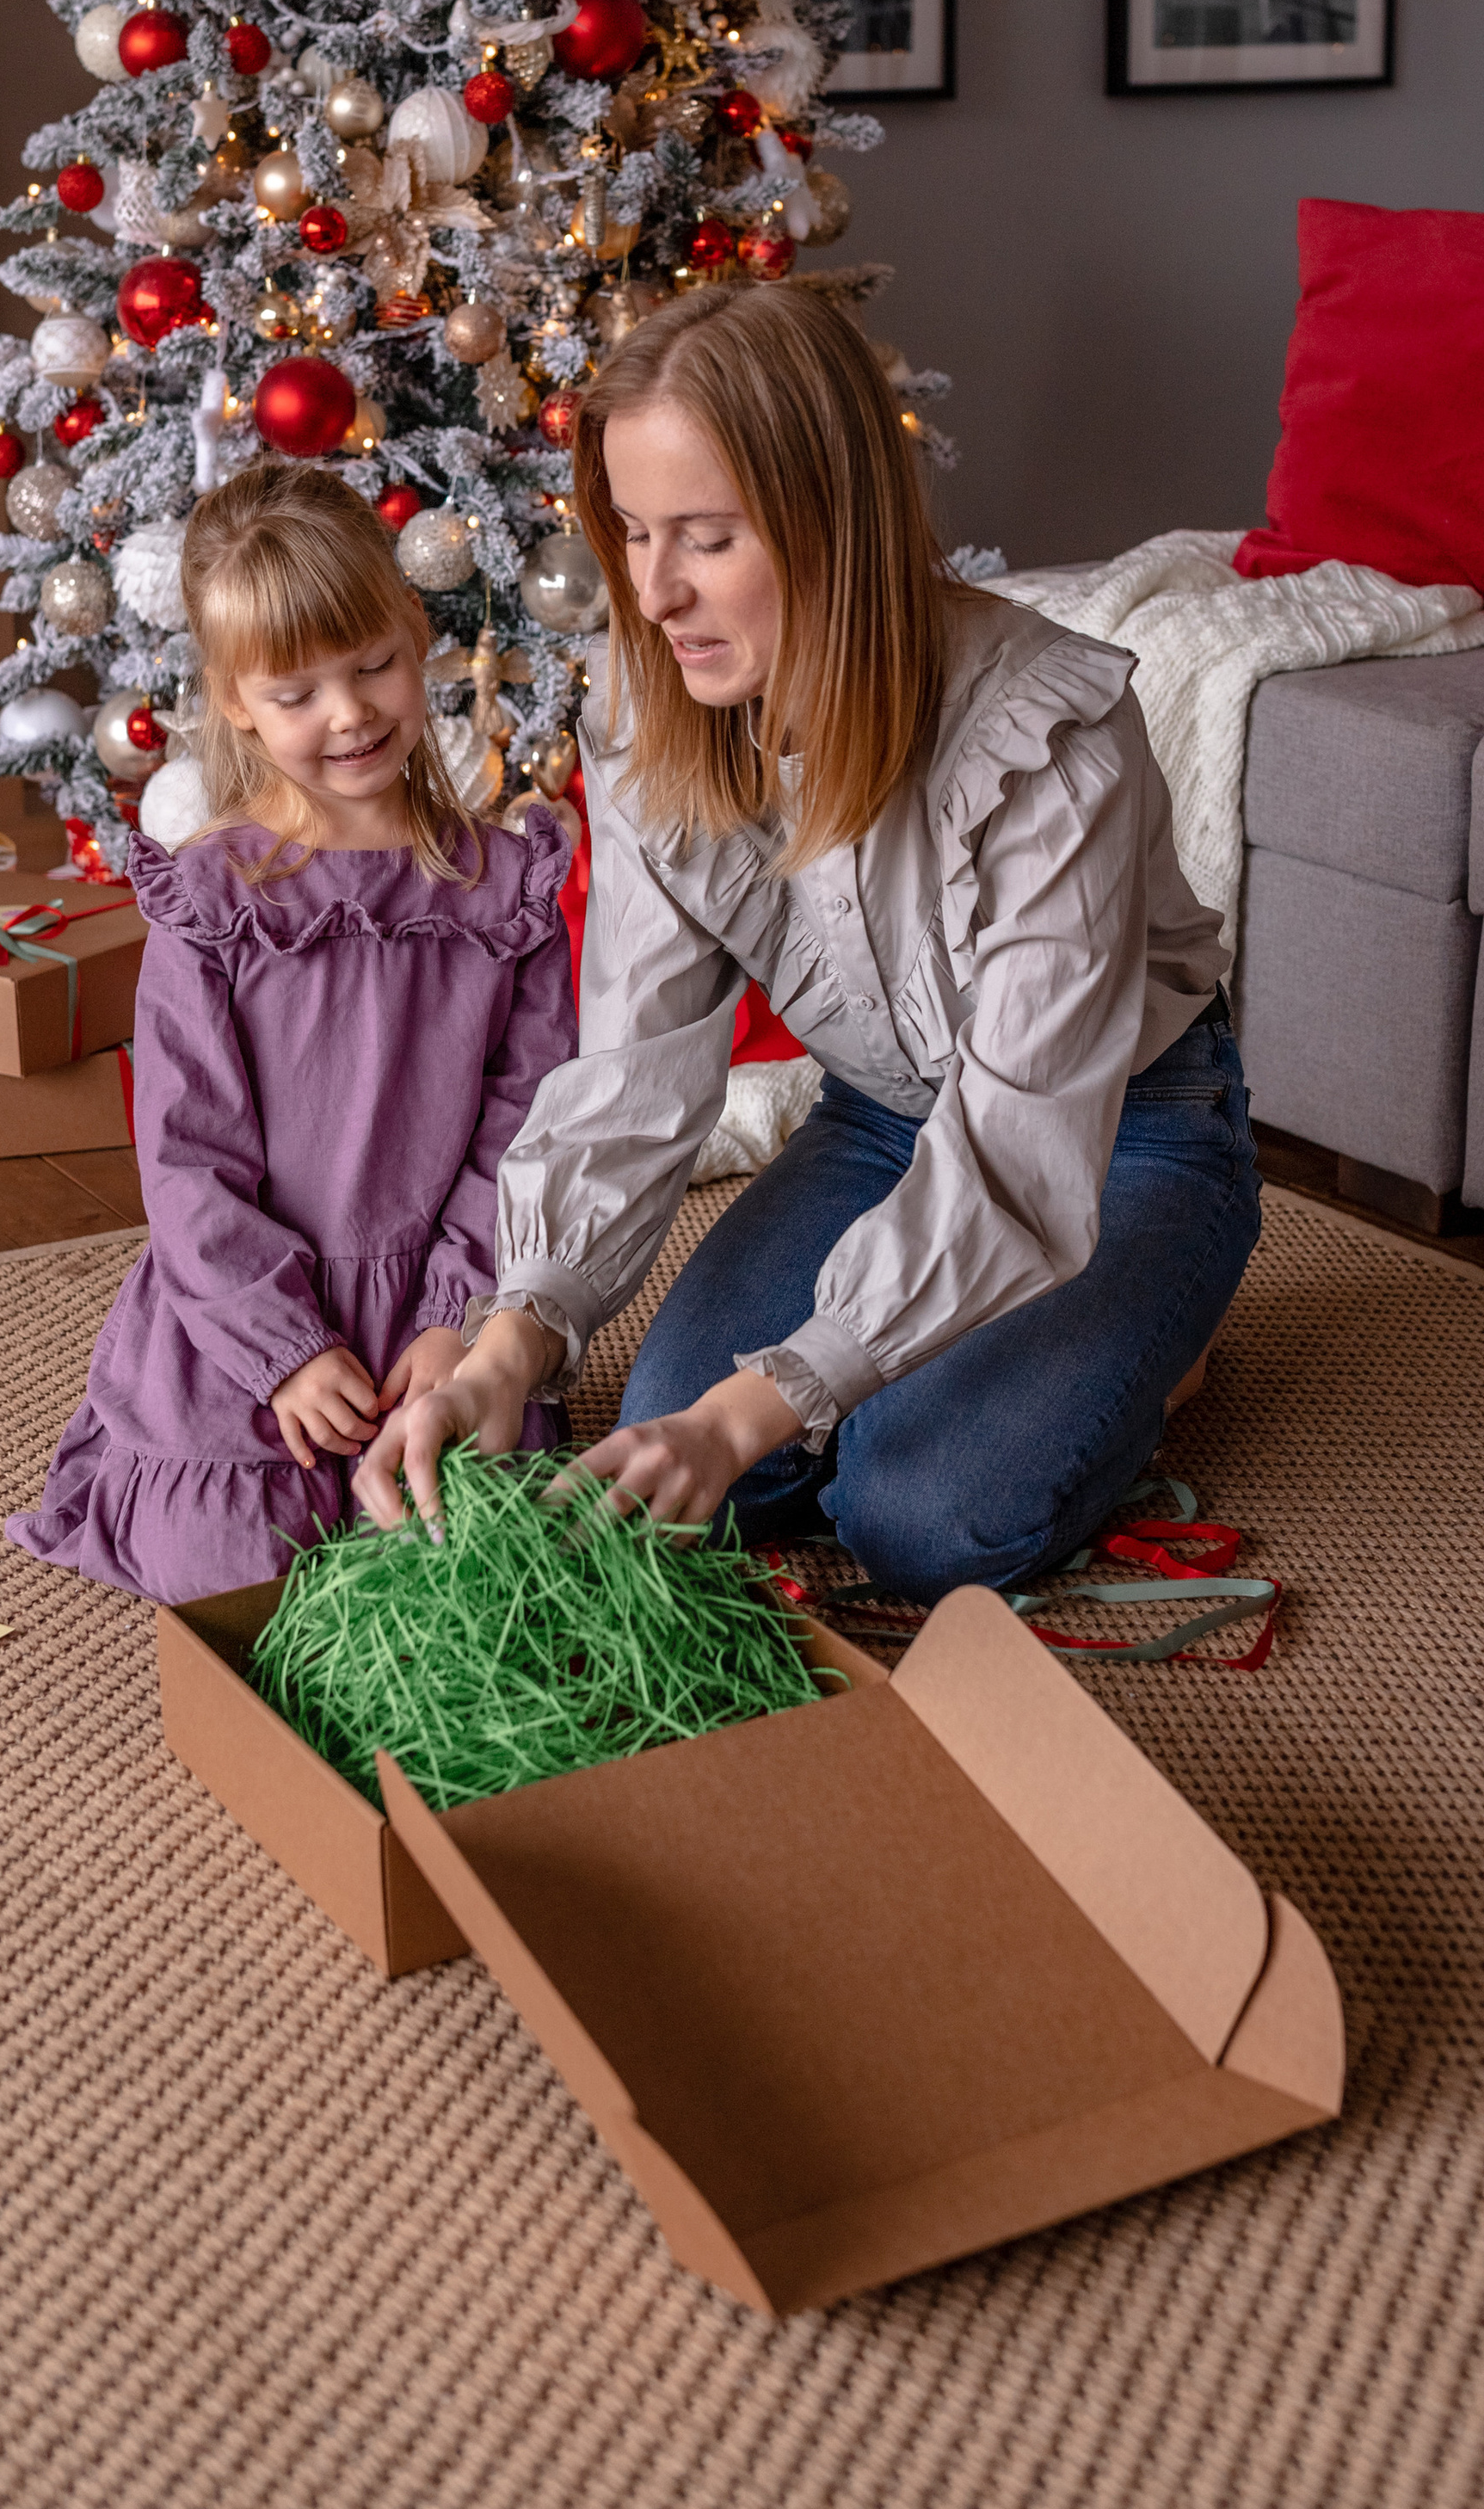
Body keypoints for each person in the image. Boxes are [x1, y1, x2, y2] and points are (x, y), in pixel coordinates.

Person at [353, 281, 1258, 1603]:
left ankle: (1161, 1341)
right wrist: (517, 1334)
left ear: (831, 524)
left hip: (1123, 1133)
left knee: (916, 1515)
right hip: (882, 1119)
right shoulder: (651, 702)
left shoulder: (1050, 743)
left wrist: (753, 1409)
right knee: (698, 1466)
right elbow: (638, 1061)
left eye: (707, 540)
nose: (655, 593)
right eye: (635, 533)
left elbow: (1014, 1149)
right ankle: (1014, 1344)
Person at [9, 460, 576, 1601]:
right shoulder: (212, 904)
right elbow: (187, 1164)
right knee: (228, 1577)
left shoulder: (505, 891)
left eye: (371, 667)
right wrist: (286, 1350)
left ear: (415, 637)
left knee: (477, 1566)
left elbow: (528, 1127)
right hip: (247, 1321)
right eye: (297, 692)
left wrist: (456, 1317)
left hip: (435, 1296)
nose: (351, 714)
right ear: (233, 702)